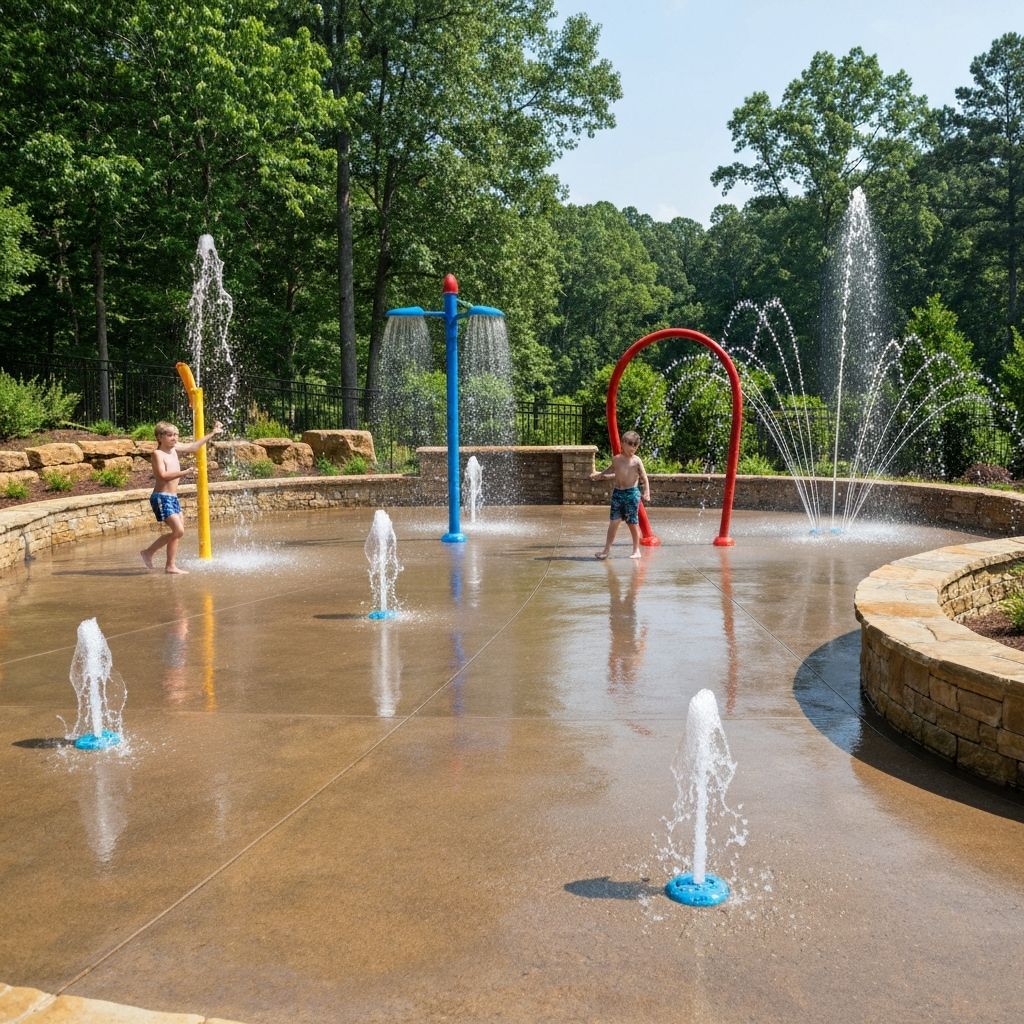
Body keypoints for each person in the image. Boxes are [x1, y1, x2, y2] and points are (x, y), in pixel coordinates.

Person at [140, 419, 223, 574]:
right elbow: (163, 476)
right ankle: (155, 556)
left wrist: (213, 433)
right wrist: (186, 472)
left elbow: (194, 446)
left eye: (176, 435)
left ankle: (162, 561)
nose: (174, 438)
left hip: (173, 498)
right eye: (170, 435)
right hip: (161, 497)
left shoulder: (175, 448)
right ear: (160, 437)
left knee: (178, 532)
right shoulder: (158, 454)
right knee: (178, 530)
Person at [590, 430, 651, 560]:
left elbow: (644, 478)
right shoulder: (617, 459)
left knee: (632, 522)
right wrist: (600, 475)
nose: (633, 447)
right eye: (630, 444)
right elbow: (612, 470)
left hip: (631, 494)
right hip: (618, 493)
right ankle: (606, 550)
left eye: (636, 445)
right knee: (614, 522)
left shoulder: (636, 461)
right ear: (623, 444)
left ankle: (636, 550)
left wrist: (647, 492)